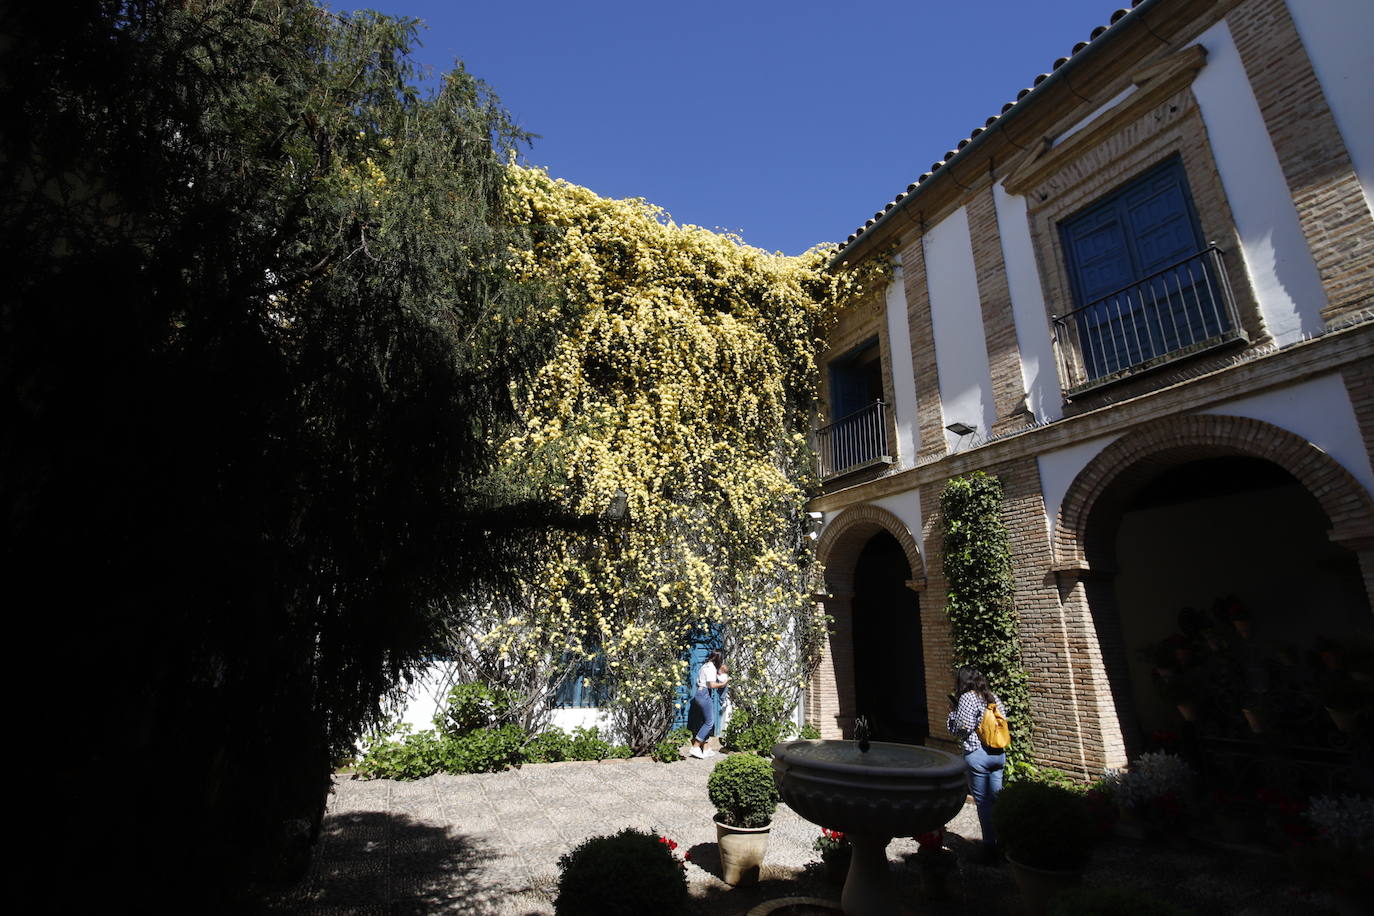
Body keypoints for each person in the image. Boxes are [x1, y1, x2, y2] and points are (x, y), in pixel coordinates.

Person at [946, 665, 1008, 863]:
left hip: (978, 755)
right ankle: (1004, 843)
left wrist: (952, 714)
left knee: (983, 803)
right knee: (998, 799)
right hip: (998, 754)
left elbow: (962, 729)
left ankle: (990, 848)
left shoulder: (967, 698)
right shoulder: (992, 697)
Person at [691, 651, 729, 758]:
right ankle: (695, 746)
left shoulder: (705, 666)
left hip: (699, 693)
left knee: (704, 721)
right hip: (704, 694)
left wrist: (720, 672)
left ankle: (706, 748)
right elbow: (711, 684)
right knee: (709, 722)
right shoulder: (711, 668)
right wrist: (723, 684)